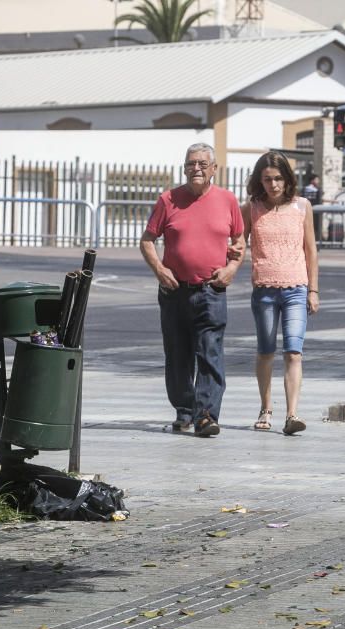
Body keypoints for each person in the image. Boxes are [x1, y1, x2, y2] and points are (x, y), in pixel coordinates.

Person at [140, 143, 245, 438]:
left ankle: (205, 415)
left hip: (211, 290)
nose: (195, 169)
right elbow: (147, 240)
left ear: (213, 169)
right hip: (174, 292)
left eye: (202, 163)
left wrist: (231, 269)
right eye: (190, 164)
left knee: (210, 353)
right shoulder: (168, 199)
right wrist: (160, 270)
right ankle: (184, 410)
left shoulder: (227, 200)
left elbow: (239, 242)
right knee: (177, 356)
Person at [242, 152, 319, 436]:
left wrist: (313, 290)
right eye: (267, 179)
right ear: (259, 181)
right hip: (263, 290)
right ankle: (266, 408)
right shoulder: (251, 208)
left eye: (278, 178)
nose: (273, 184)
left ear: (287, 179)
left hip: (296, 289)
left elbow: (311, 251)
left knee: (294, 352)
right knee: (265, 352)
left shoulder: (302, 207)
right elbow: (238, 243)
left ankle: (292, 414)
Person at [301, 173, 323, 242]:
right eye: (317, 180)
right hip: (315, 211)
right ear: (312, 181)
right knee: (315, 226)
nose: (318, 182)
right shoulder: (317, 190)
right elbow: (319, 200)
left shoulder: (304, 189)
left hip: (304, 211)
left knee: (305, 226)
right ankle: (315, 241)